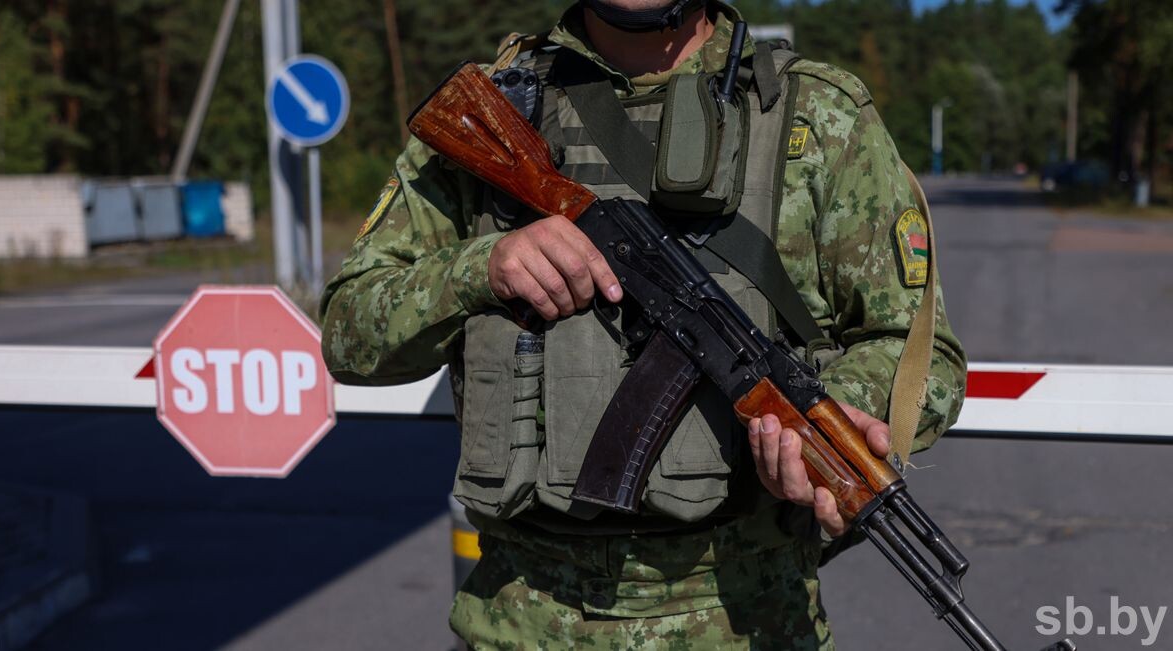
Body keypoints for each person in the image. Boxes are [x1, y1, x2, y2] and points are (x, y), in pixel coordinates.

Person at [320, 0, 967, 647]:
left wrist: (840, 410)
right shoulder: (500, 103)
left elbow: (918, 350)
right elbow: (349, 333)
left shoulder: (816, 115)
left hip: (746, 623)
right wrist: (480, 267)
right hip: (520, 623)